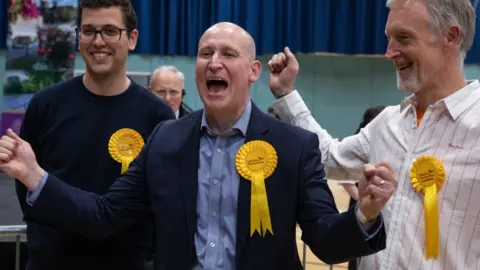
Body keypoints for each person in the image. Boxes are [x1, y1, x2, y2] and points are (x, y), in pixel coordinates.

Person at [0, 22, 397, 270]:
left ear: (254, 71)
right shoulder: (164, 139)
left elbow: (326, 243)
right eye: (206, 53)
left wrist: (363, 214)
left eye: (228, 54)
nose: (214, 62)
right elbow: (105, 214)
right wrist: (35, 176)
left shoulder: (295, 146)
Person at [267, 0, 479, 269]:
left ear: (451, 36)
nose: (390, 52)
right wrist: (286, 94)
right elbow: (328, 157)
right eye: (388, 38)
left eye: (403, 37)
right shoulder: (388, 122)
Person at [14, 0, 175, 269]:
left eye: (110, 31)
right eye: (88, 31)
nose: (98, 41)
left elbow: (159, 204)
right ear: (78, 38)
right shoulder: (45, 105)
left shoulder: (158, 117)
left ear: (132, 38)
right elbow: (27, 190)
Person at [327, 106, 385, 270]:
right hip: (361, 202)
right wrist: (358, 197)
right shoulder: (360, 141)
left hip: (375, 202)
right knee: (357, 246)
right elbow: (344, 178)